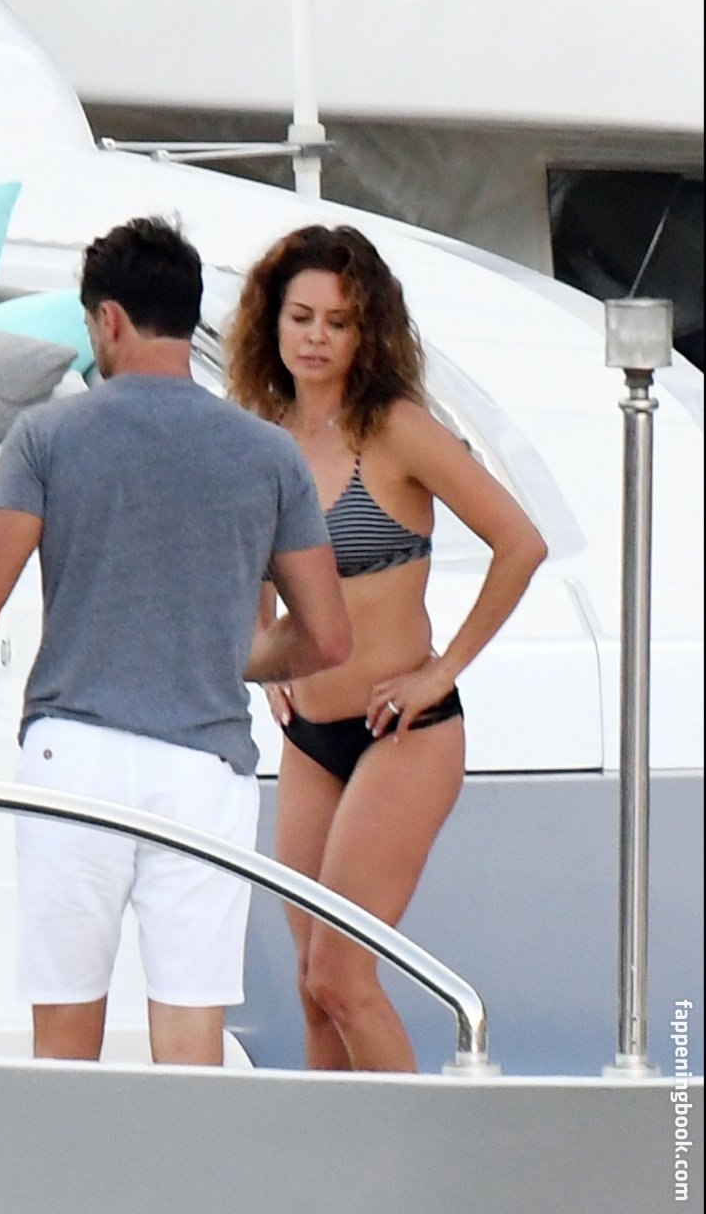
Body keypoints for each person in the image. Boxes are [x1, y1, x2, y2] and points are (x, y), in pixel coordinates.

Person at [0, 216, 351, 1066]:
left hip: (75, 761)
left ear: (108, 319)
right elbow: (327, 638)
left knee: (66, 1042)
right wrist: (234, 658)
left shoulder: (47, 437)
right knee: (190, 1041)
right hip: (205, 771)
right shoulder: (269, 454)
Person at [226, 224, 547, 1073]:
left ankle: (420, 1146)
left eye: (338, 321)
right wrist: (265, 657)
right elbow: (252, 564)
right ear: (272, 322)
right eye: (301, 317)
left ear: (367, 332)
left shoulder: (398, 429)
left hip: (404, 732)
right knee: (310, 988)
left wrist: (442, 670)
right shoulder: (262, 436)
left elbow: (521, 544)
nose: (316, 338)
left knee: (342, 976)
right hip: (308, 739)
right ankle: (336, 1155)